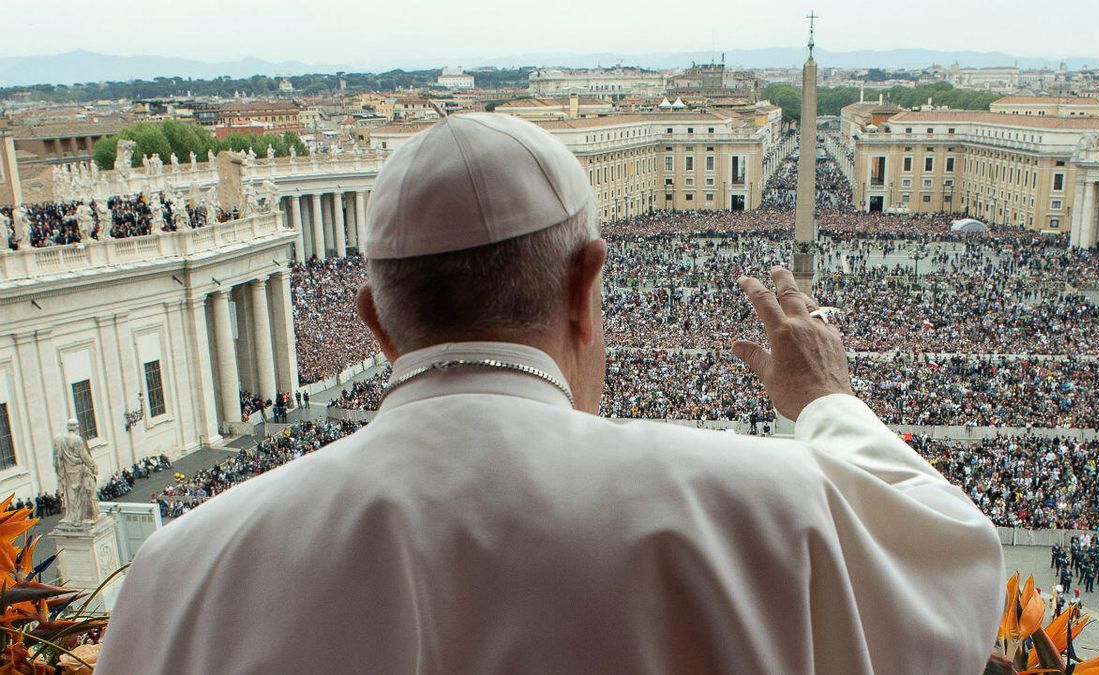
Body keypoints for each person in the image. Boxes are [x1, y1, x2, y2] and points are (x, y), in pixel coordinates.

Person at [97, 113, 1005, 674]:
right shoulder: (772, 506)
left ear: (376, 323)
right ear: (586, 284)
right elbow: (955, 559)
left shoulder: (179, 575)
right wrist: (826, 400)